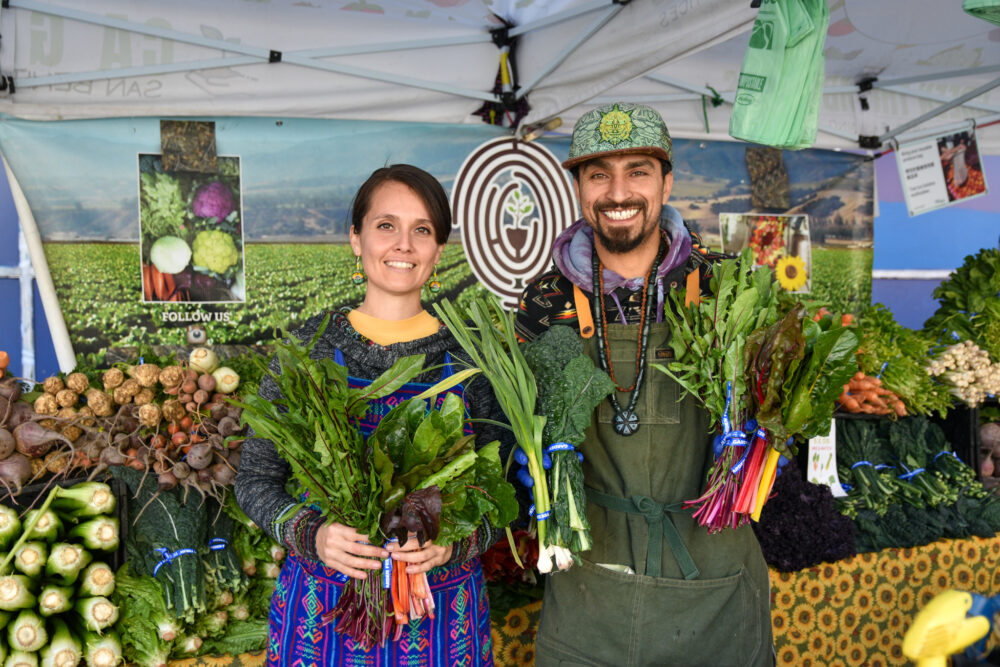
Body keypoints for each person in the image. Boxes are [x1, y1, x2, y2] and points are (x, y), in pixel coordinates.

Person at [515, 102, 774, 666]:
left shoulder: (722, 282)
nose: (618, 192)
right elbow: (522, 423)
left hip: (713, 574)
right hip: (591, 582)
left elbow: (775, 416)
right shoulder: (544, 300)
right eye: (598, 174)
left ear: (667, 182)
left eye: (638, 171)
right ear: (580, 188)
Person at [235, 164, 510, 667]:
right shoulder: (308, 350)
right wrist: (311, 534)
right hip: (324, 617)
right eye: (386, 226)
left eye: (422, 230)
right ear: (356, 239)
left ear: (438, 252)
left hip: (440, 616)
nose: (403, 245)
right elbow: (254, 479)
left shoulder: (471, 356)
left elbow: (502, 492)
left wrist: (453, 544)